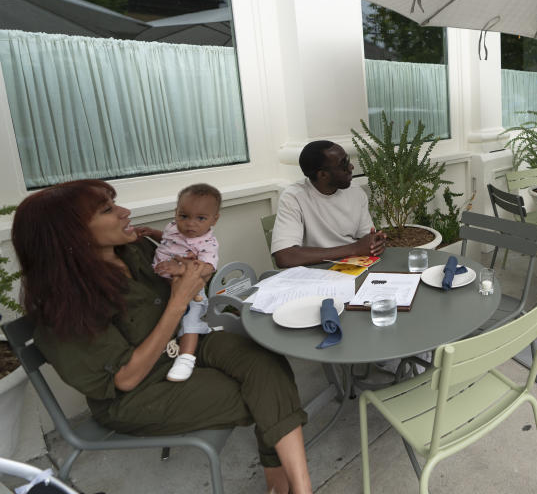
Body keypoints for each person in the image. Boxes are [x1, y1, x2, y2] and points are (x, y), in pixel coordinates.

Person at [11, 180, 312, 493]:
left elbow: (192, 259)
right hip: (140, 392)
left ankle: (295, 485)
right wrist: (179, 299)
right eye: (108, 210)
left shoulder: (134, 250)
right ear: (70, 233)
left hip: (186, 344)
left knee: (267, 361)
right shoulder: (64, 305)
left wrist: (195, 273)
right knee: (261, 393)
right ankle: (287, 482)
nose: (125, 212)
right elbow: (126, 379)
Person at [136, 184, 221, 382]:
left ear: (214, 219)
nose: (190, 224)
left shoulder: (207, 243)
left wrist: (181, 269)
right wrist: (152, 233)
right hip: (162, 285)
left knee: (190, 321)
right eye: (184, 216)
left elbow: (208, 268)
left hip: (191, 291)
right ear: (176, 213)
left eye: (200, 218)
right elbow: (167, 239)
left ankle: (186, 358)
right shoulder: (173, 228)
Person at [271, 141, 386, 268]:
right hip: (314, 273)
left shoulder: (355, 192)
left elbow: (366, 240)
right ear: (323, 175)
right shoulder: (294, 197)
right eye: (344, 164)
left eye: (348, 160)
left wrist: (375, 243)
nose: (351, 167)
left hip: (353, 268)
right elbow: (285, 257)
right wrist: (354, 249)